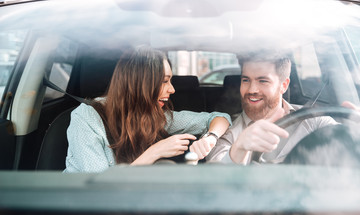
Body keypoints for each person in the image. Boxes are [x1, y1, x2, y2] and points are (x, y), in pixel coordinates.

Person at [64, 46, 232, 172]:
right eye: (165, 81)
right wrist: (155, 152)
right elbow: (99, 188)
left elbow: (220, 118)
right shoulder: (86, 118)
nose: (172, 89)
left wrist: (211, 137)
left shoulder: (154, 117)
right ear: (140, 85)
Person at [207, 53, 337, 165]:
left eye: (263, 81)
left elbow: (347, 145)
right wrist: (239, 148)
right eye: (246, 80)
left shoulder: (313, 121)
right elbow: (215, 175)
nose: (252, 90)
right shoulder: (225, 130)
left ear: (283, 85)